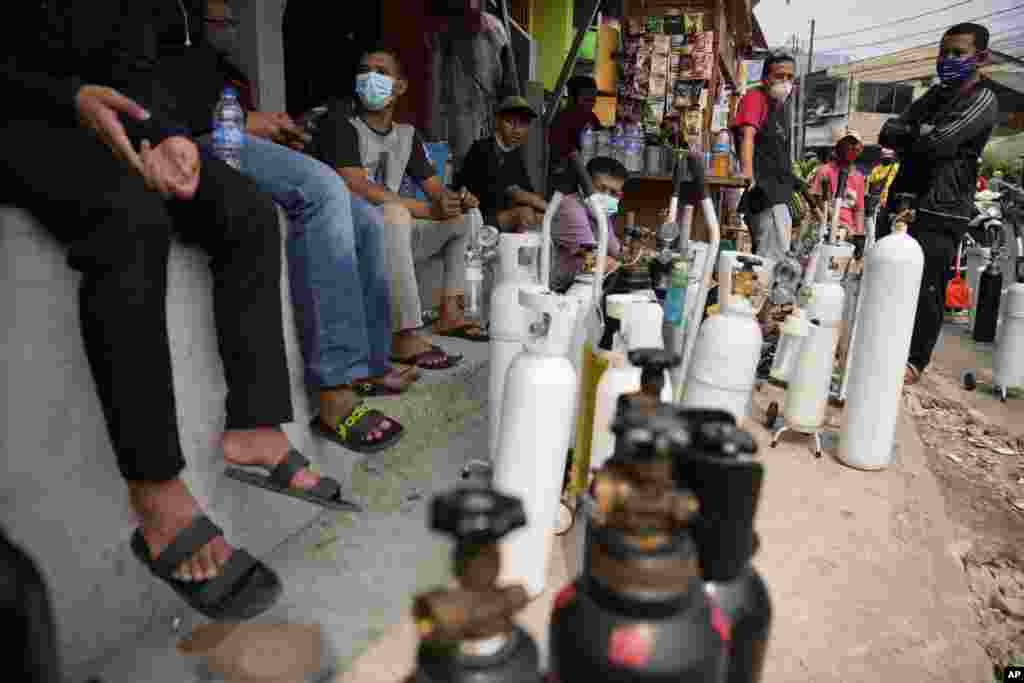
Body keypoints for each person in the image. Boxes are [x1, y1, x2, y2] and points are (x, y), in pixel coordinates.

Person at [0, 0, 339, 620]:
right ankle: (157, 496)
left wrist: (165, 131)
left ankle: (254, 425)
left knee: (247, 214)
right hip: (19, 112)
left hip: (106, 113)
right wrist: (67, 96)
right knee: (127, 219)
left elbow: (137, 50)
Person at [195, 3, 408, 452]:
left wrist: (266, 127)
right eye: (220, 21)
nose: (230, 29)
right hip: (189, 135)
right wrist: (241, 123)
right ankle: (334, 391)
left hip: (230, 134)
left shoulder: (222, 68)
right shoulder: (163, 35)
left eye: (232, 21)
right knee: (323, 187)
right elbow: (161, 98)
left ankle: (369, 364)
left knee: (366, 219)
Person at [316, 46, 487, 371]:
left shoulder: (407, 135)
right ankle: (403, 333)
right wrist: (428, 210)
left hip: (394, 237)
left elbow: (437, 192)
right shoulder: (340, 125)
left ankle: (450, 311)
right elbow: (359, 188)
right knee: (395, 213)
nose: (371, 78)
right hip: (353, 238)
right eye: (365, 70)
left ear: (400, 86)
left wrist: (457, 200)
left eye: (382, 72)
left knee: (467, 218)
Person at [879, 22, 998, 386]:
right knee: (887, 281)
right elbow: (887, 133)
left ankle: (914, 361)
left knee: (927, 288)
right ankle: (882, 349)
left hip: (941, 211)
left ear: (982, 57)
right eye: (944, 52)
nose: (948, 59)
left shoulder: (983, 99)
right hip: (903, 202)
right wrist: (921, 133)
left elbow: (941, 143)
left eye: (958, 53)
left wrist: (917, 134)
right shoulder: (933, 96)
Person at [733, 52, 806, 265]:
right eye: (779, 76)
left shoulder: (781, 108)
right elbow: (748, 135)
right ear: (765, 78)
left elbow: (780, 157)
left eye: (790, 77)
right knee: (770, 262)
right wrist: (748, 176)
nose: (785, 82)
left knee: (771, 257)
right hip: (765, 195)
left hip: (778, 195)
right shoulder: (755, 98)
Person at [455, 95, 547, 233]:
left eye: (522, 123)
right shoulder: (482, 149)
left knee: (541, 217)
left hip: (502, 218)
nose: (517, 129)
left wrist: (546, 209)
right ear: (497, 121)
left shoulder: (515, 155)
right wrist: (550, 207)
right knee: (525, 214)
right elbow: (514, 192)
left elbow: (528, 192)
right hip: (478, 219)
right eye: (510, 122)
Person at [549, 156, 625, 292]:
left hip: (580, 284)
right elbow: (592, 258)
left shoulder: (600, 213)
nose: (607, 196)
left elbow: (618, 252)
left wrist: (638, 255)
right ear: (584, 186)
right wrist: (625, 266)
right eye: (601, 189)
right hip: (556, 290)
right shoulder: (570, 207)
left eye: (614, 193)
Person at [810, 129, 866, 257]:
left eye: (854, 145)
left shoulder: (859, 178)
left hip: (847, 236)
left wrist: (859, 235)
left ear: (860, 150)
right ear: (838, 148)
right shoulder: (825, 171)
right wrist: (838, 224)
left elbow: (859, 210)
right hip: (824, 231)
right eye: (846, 144)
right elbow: (816, 202)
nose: (850, 148)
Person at [549, 75, 602, 194]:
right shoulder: (561, 121)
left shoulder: (592, 118)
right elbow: (569, 156)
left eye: (593, 100)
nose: (591, 104)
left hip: (589, 176)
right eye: (586, 100)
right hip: (567, 183)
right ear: (572, 98)